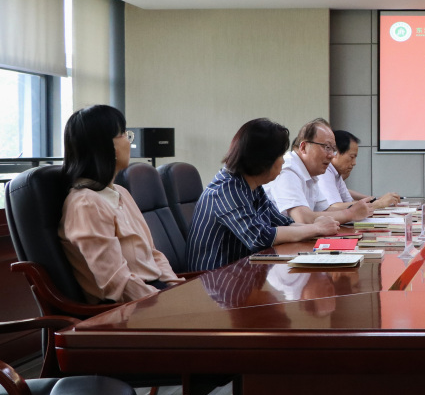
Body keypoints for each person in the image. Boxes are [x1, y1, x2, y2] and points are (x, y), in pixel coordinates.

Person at [57, 104, 183, 303]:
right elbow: (117, 283)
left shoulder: (121, 192)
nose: (129, 141)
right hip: (128, 307)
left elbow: (152, 254)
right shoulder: (87, 204)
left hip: (152, 293)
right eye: (124, 134)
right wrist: (164, 303)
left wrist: (176, 288)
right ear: (105, 147)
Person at [187, 118, 340, 271]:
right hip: (213, 279)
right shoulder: (226, 190)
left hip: (241, 273)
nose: (283, 162)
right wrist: (316, 228)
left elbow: (282, 223)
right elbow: (259, 237)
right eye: (280, 155)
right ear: (264, 159)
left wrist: (317, 227)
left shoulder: (252, 186)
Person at [264, 118, 373, 225]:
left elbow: (325, 210)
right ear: (304, 147)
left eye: (333, 149)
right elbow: (303, 219)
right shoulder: (287, 170)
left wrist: (356, 208)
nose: (331, 155)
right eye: (327, 147)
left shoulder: (311, 173)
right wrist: (350, 213)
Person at [318, 130, 401, 210]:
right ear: (335, 153)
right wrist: (378, 203)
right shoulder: (325, 173)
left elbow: (349, 203)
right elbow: (335, 207)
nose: (354, 163)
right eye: (351, 157)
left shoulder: (336, 173)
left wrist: (375, 201)